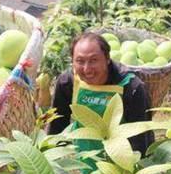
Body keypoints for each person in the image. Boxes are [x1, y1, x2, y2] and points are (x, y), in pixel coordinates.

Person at [48, 32, 154, 165]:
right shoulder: (68, 82)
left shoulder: (131, 87)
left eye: (93, 60)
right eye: (80, 61)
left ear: (107, 59)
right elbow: (57, 125)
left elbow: (140, 137)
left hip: (122, 159)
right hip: (86, 156)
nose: (87, 69)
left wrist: (133, 170)